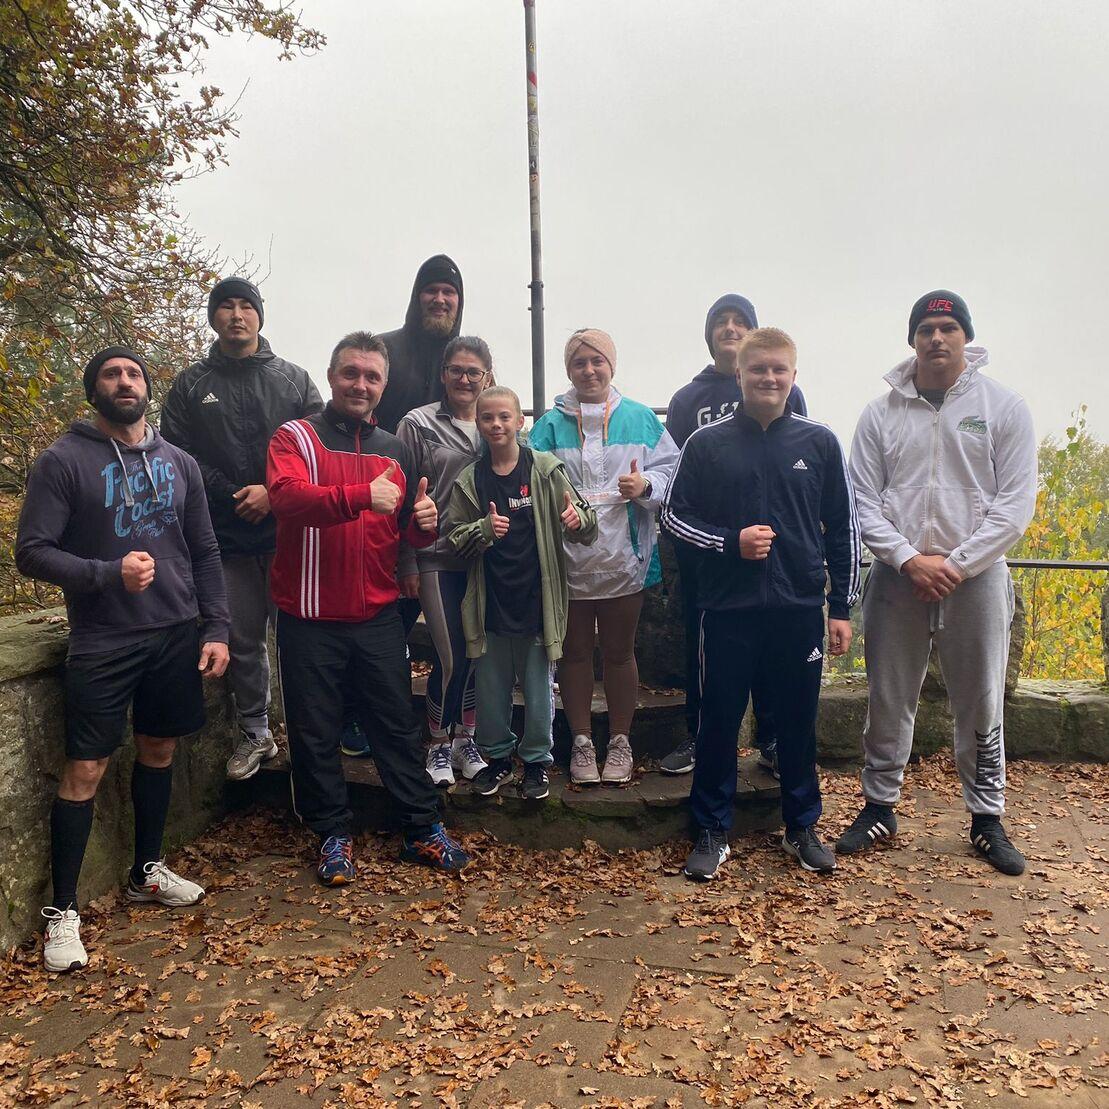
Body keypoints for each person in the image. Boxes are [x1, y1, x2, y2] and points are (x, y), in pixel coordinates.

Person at [16, 346, 230, 972]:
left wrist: (215, 626)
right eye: (111, 374)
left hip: (174, 633)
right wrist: (107, 574)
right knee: (86, 769)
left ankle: (146, 871)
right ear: (94, 390)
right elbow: (31, 552)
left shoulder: (180, 464)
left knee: (159, 750)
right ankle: (63, 912)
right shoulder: (62, 460)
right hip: (104, 641)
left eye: (134, 373)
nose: (125, 381)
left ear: (146, 387)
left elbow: (206, 550)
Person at [838, 291, 1037, 876]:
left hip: (974, 580)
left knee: (980, 698)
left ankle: (986, 817)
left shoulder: (1003, 407)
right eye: (926, 328)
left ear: (966, 338)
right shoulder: (880, 414)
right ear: (913, 340)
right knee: (887, 695)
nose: (937, 338)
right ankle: (879, 806)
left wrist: (957, 563)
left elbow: (1015, 504)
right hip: (899, 579)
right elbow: (862, 499)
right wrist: (905, 558)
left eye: (948, 327)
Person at [266, 331, 469, 885]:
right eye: (351, 373)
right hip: (308, 615)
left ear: (383, 386)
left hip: (376, 612)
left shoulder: (395, 449)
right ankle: (332, 835)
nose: (361, 384)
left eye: (372, 376)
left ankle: (421, 827)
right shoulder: (296, 437)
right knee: (315, 731)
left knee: (395, 725)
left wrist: (423, 527)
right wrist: (359, 497)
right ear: (331, 377)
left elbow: (403, 530)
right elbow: (285, 499)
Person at [661, 327, 860, 879]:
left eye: (779, 370)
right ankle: (710, 828)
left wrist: (840, 607)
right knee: (719, 722)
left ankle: (801, 826)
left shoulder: (819, 442)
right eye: (758, 370)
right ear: (740, 376)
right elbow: (674, 518)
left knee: (798, 722)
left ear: (793, 376)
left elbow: (844, 530)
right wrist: (731, 543)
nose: (768, 379)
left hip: (798, 608)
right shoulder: (707, 444)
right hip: (725, 611)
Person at [161, 276, 321, 782]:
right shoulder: (190, 385)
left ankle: (314, 730)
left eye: (245, 306)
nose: (236, 315)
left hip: (291, 534)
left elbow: (318, 446)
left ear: (259, 316)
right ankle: (256, 733)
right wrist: (235, 493)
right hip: (223, 537)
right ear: (213, 317)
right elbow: (177, 454)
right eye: (225, 306)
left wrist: (273, 493)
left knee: (301, 637)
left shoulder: (293, 379)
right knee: (244, 639)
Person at [660, 294, 809, 778]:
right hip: (709, 550)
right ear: (709, 336)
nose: (730, 328)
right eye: (720, 322)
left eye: (739, 320)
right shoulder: (687, 400)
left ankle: (769, 737)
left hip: (774, 555)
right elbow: (675, 475)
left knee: (770, 651)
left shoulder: (785, 391)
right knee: (700, 647)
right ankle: (696, 735)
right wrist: (712, 540)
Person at [529, 329, 678, 785]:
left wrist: (645, 486)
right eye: (579, 363)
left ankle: (619, 740)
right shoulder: (549, 425)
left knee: (619, 652)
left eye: (597, 361)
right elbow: (528, 477)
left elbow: (672, 470)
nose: (589, 370)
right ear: (568, 370)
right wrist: (557, 506)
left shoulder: (641, 419)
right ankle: (579, 741)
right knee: (574, 654)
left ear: (612, 365)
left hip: (625, 556)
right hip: (568, 561)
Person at [447, 386, 597, 800]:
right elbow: (452, 538)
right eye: (487, 418)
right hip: (490, 603)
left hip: (537, 602)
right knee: (492, 691)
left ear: (520, 421)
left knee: (537, 690)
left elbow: (587, 521)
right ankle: (496, 760)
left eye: (504, 417)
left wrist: (575, 518)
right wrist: (482, 530)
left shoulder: (546, 470)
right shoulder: (470, 478)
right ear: (478, 424)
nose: (496, 425)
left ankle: (535, 763)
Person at [395, 337, 493, 787]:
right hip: (435, 554)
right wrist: (407, 561)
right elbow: (400, 498)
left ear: (487, 376)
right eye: (457, 370)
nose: (465, 379)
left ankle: (464, 737)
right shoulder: (418, 424)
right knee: (450, 655)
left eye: (474, 371)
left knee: (475, 654)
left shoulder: (497, 423)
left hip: (483, 559)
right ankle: (436, 741)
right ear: (443, 374)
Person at [373, 255, 464, 434]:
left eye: (448, 291)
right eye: (431, 290)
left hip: (451, 462)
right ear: (417, 296)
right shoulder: (381, 350)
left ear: (459, 300)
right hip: (385, 459)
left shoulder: (471, 362)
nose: (439, 299)